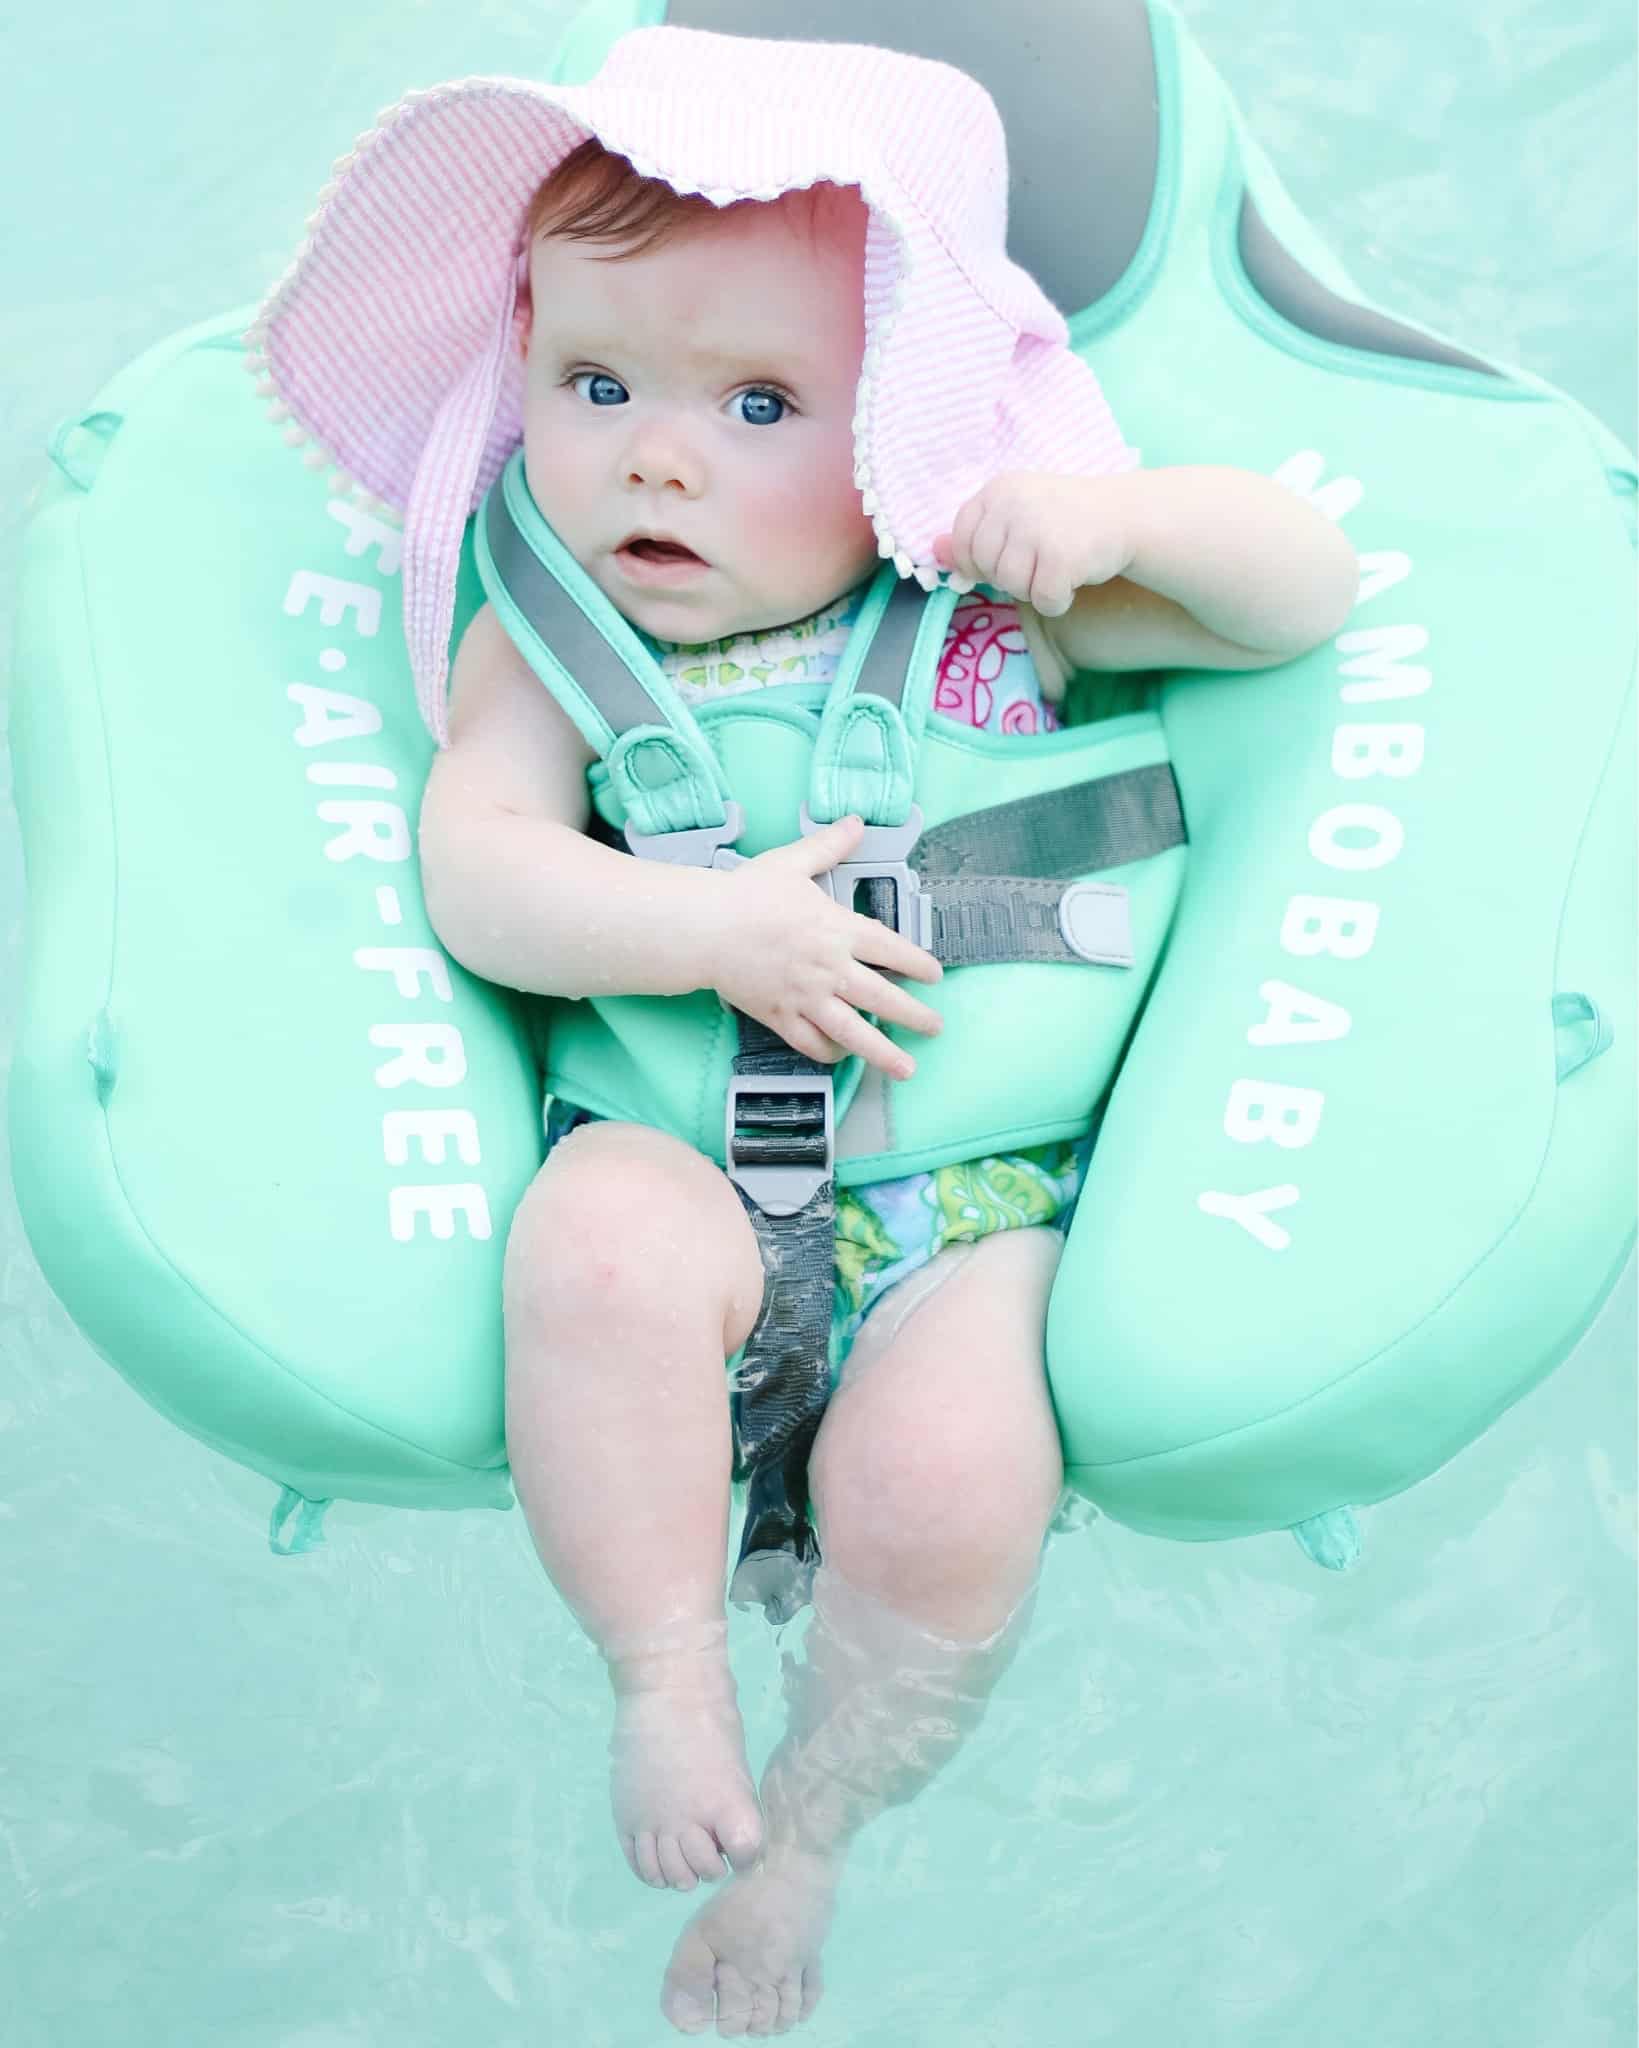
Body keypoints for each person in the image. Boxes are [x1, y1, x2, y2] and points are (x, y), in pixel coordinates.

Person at [250, 27, 1358, 2034]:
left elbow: (1302, 594)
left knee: (949, 1484)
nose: (652, 457)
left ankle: (817, 1826)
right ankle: (664, 1671)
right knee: (587, 1254)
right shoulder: (543, 632)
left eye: (757, 403)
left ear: (903, 432)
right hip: (674, 1166)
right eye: (596, 388)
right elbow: (479, 869)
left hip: (970, 1202)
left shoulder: (994, 601)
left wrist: (1121, 531)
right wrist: (698, 925)